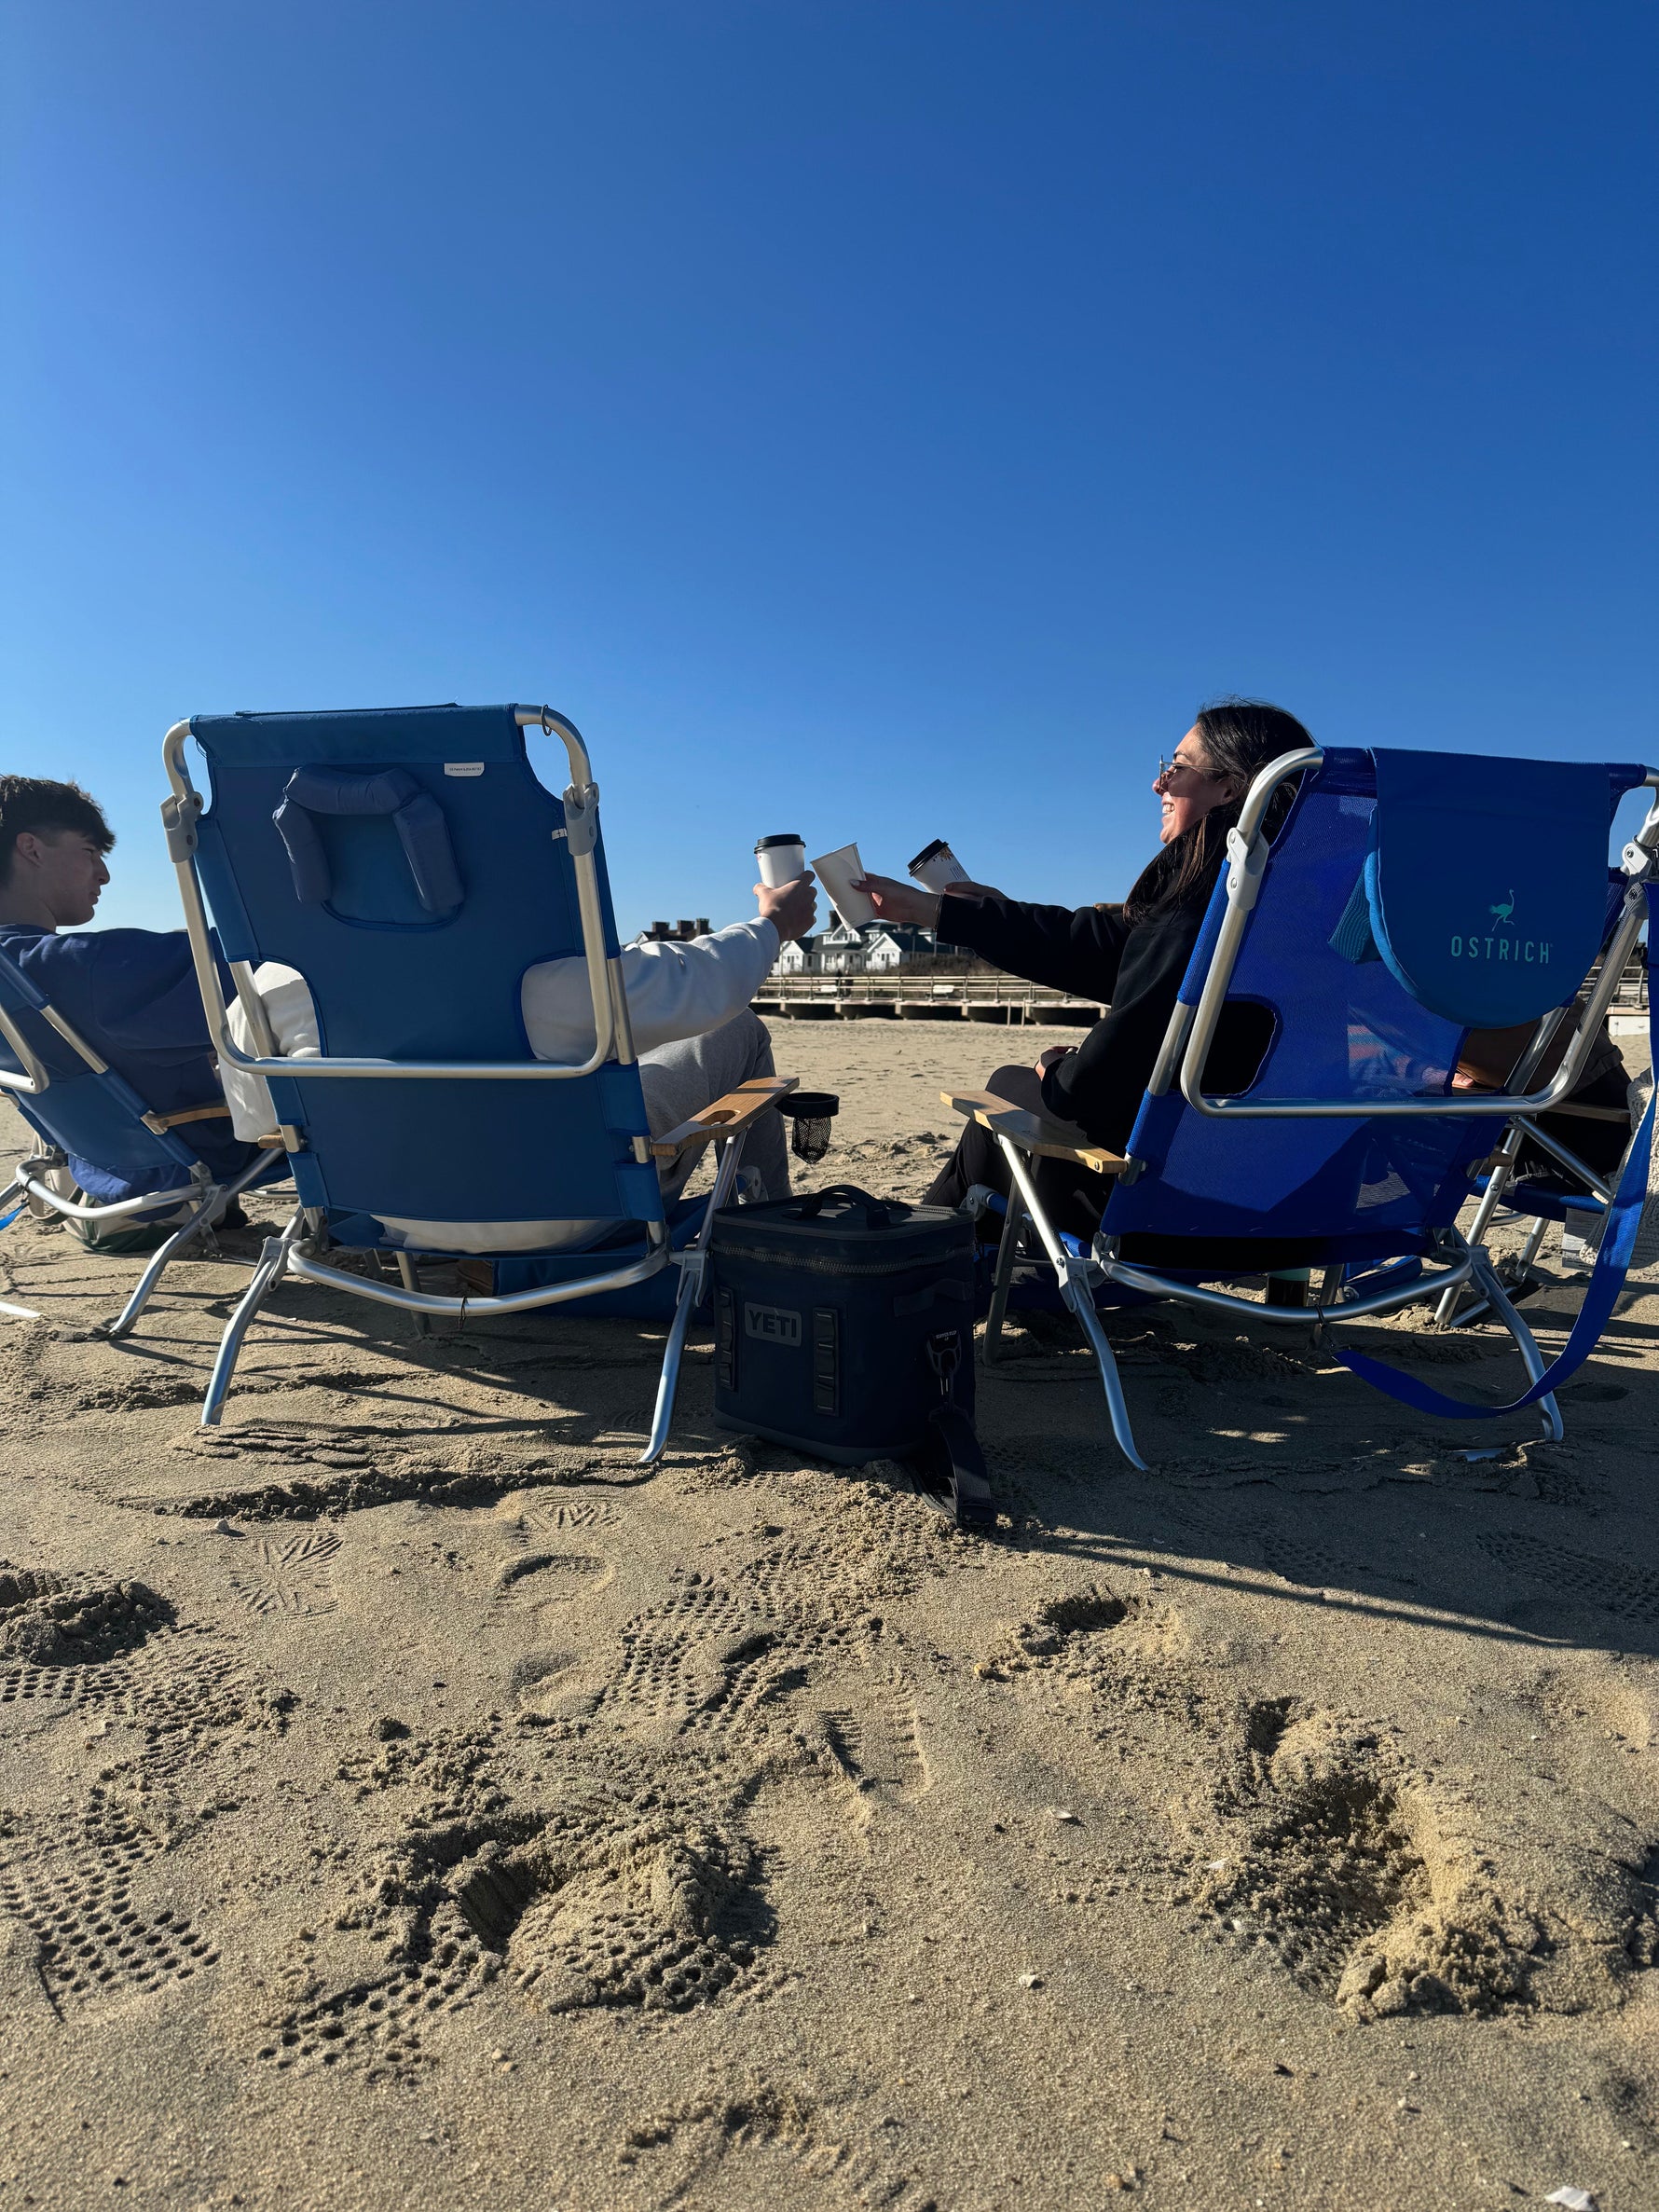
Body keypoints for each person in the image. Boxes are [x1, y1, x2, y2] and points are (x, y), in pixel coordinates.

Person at [852, 699, 1314, 1242]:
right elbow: (1109, 947)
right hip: (1291, 1202)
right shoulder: (1309, 904)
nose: (1157, 783)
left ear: (1231, 787)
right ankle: (938, 1247)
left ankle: (917, 1257)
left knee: (1004, 1092)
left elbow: (1123, 1055)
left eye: (1178, 767)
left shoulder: (1205, 906)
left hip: (1171, 1207)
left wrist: (1063, 1077)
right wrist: (938, 911)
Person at [220, 873, 818, 1251]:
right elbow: (704, 983)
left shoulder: (274, 978)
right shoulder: (545, 960)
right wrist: (771, 924)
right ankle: (767, 1230)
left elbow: (254, 1126)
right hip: (576, 1212)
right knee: (737, 1027)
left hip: (399, 1213)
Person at [0, 776, 265, 1214]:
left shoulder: (27, 971)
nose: (103, 874)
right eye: (89, 853)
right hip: (198, 1150)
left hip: (103, 1163)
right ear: (31, 849)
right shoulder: (91, 967)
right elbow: (274, 959)